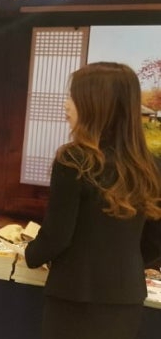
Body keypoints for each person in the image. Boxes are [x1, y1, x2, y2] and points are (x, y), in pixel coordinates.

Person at [22, 62, 161, 339]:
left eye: (73, 96)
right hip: (127, 296)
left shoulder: (74, 159)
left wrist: (30, 254)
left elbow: (57, 235)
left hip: (75, 296)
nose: (66, 104)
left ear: (96, 105)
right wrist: (124, 261)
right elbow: (156, 240)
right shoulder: (151, 165)